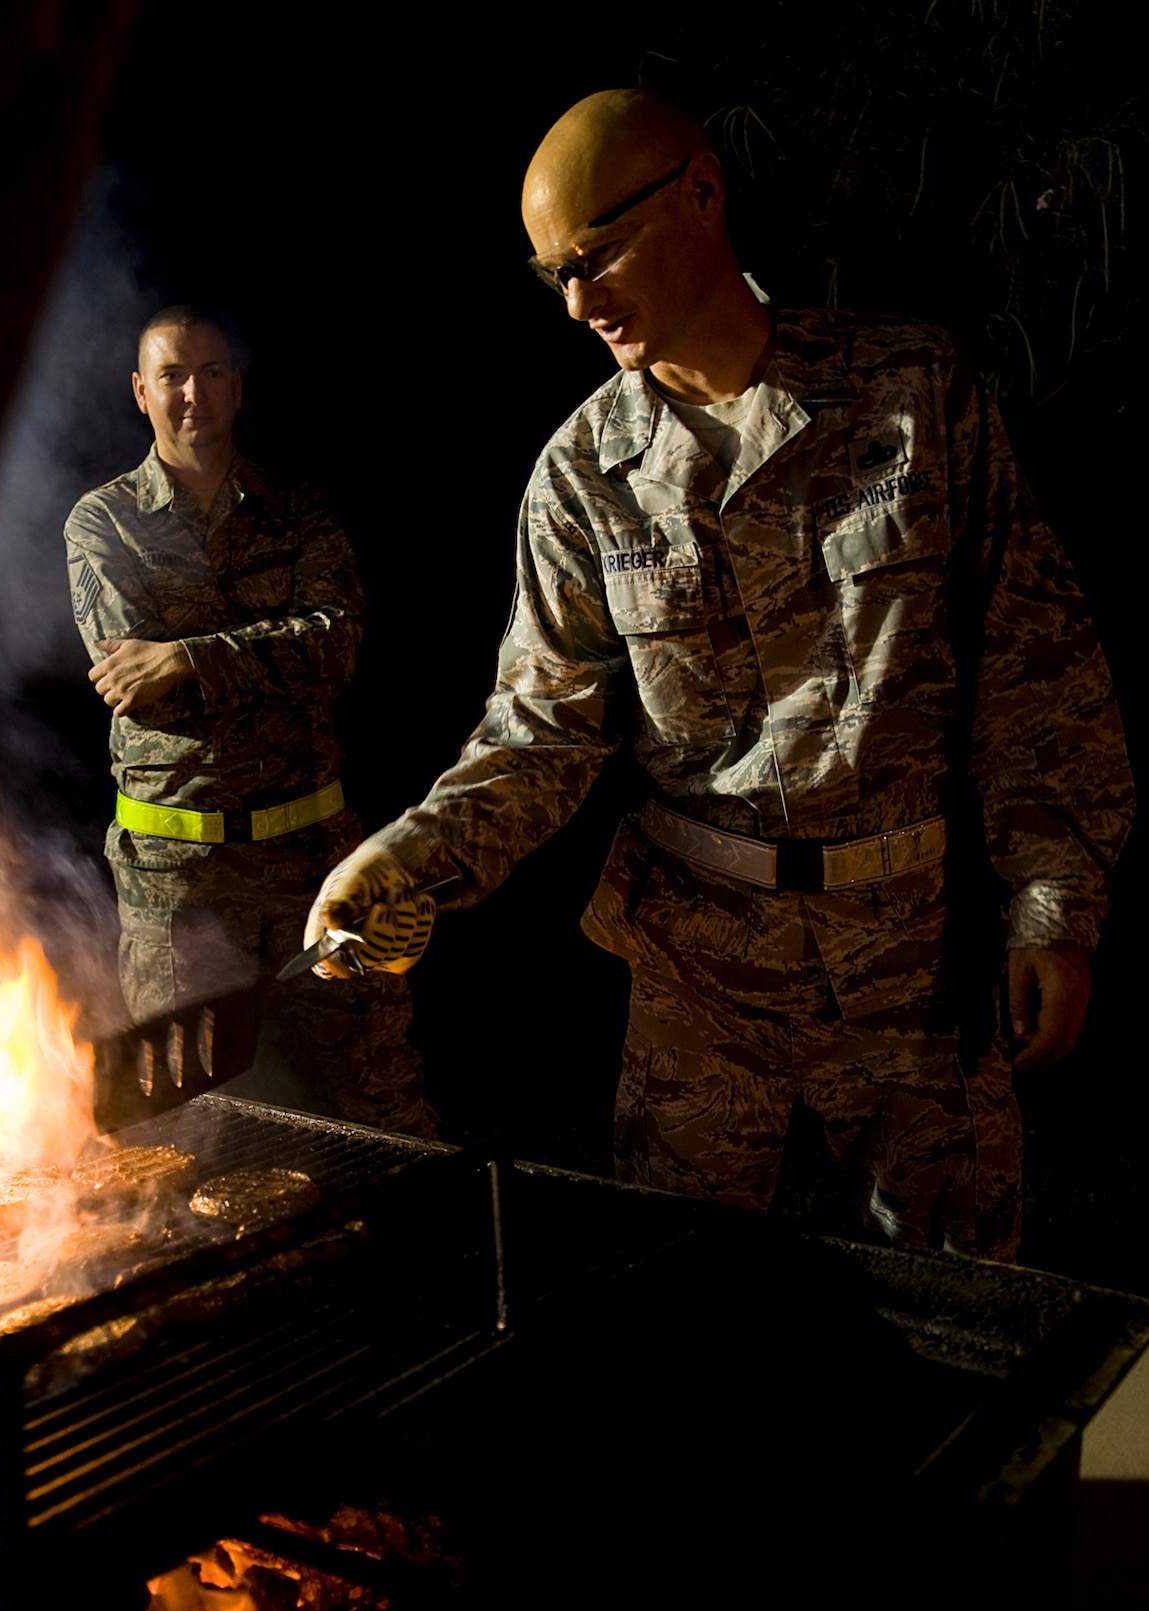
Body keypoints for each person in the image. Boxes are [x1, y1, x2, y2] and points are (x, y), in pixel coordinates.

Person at [301, 88, 1133, 1258]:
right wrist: (410, 855)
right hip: (700, 978)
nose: (580, 302)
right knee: (680, 1319)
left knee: (955, 1323)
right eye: (554, 277)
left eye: (596, 255)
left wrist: (1053, 903)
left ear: (701, 192)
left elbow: (1034, 666)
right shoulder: (584, 476)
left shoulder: (908, 391)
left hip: (915, 971)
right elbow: (540, 732)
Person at [65, 306, 430, 1133]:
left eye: (212, 372)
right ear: (139, 391)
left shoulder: (298, 509)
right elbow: (132, 681)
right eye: (172, 375)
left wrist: (188, 659)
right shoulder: (102, 522)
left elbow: (337, 649)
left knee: (378, 1095)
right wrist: (266, 656)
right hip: (179, 878)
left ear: (237, 385)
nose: (194, 392)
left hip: (316, 861)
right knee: (193, 1120)